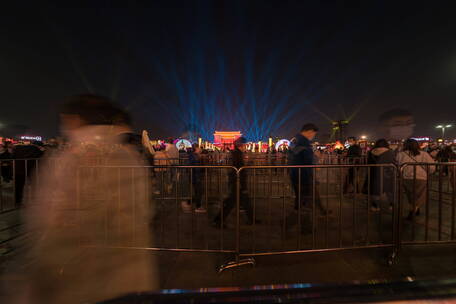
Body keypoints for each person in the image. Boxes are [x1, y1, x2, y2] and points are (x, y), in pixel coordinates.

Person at [6, 95, 158, 303]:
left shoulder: (75, 157)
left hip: (77, 279)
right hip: (127, 277)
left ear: (75, 119)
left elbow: (53, 220)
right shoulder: (129, 156)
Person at [213, 137, 254, 228]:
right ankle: (218, 221)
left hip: (236, 181)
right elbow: (239, 169)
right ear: (241, 145)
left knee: (245, 200)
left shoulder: (235, 153)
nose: (245, 146)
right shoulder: (237, 154)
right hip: (237, 181)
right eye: (245, 144)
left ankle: (251, 219)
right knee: (231, 202)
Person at [289, 123, 327, 214]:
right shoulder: (304, 141)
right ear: (310, 132)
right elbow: (307, 158)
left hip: (294, 172)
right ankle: (304, 217)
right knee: (307, 195)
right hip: (303, 173)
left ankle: (320, 210)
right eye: (314, 134)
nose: (314, 136)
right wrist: (318, 159)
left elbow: (294, 154)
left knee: (302, 194)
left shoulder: (294, 139)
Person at [396, 138, 435, 220]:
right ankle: (414, 210)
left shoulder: (400, 154)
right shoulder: (424, 154)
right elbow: (432, 167)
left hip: (406, 178)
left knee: (410, 195)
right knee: (420, 196)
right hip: (421, 178)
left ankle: (415, 210)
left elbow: (397, 166)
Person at [365, 139, 396, 211]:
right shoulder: (390, 152)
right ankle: (391, 205)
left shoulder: (371, 152)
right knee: (390, 190)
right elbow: (393, 162)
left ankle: (375, 205)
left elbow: (368, 162)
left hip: (373, 173)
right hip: (387, 173)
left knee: (375, 190)